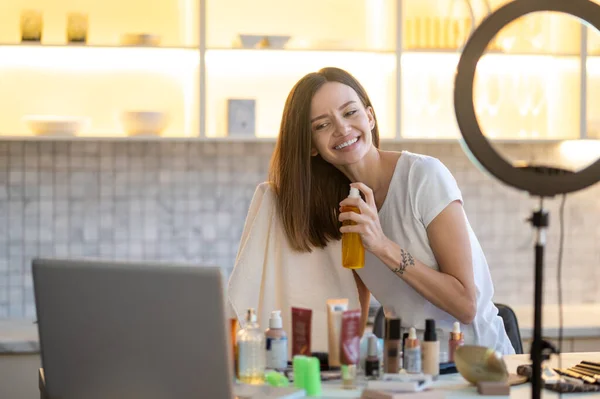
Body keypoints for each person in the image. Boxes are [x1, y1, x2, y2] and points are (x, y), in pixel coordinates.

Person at [249, 66, 514, 355]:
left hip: (479, 367)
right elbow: (355, 305)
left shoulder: (424, 176)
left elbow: (465, 305)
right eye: (322, 125)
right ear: (311, 146)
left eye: (350, 112)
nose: (342, 129)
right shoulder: (341, 207)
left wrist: (381, 245)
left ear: (370, 117)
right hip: (408, 369)